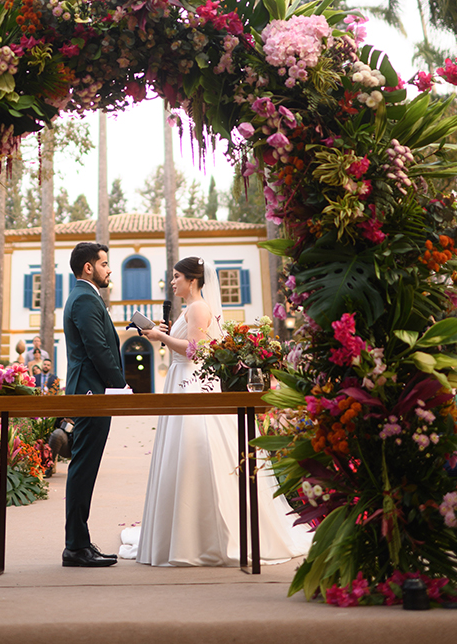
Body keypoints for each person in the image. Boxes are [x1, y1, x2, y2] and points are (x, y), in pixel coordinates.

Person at [123, 256, 312, 567]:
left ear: (193, 280)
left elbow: (196, 350)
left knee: (196, 448)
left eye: (176, 277)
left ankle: (201, 536)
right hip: (182, 378)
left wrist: (161, 337)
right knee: (182, 452)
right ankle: (187, 530)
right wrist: (168, 334)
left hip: (193, 382)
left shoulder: (198, 308)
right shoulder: (189, 309)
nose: (172, 282)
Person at [62, 241, 127, 568]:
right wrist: (121, 386)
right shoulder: (86, 298)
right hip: (91, 393)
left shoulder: (84, 296)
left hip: (90, 390)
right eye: (104, 263)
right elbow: (98, 349)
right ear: (88, 267)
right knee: (83, 469)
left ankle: (80, 541)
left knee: (84, 468)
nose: (109, 269)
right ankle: (75, 546)